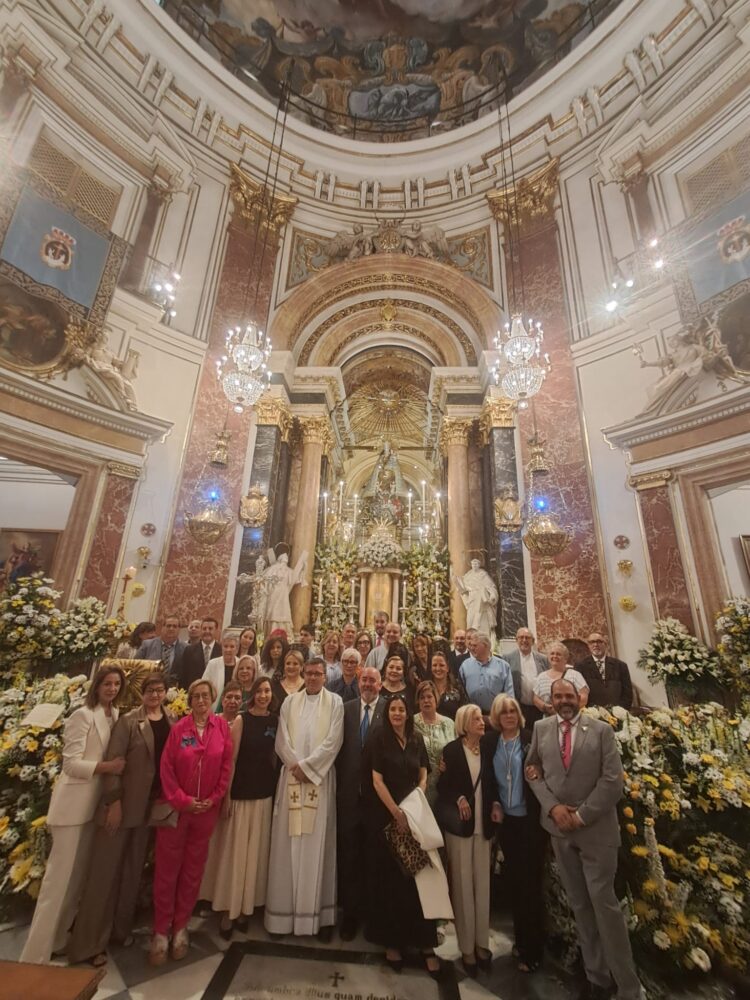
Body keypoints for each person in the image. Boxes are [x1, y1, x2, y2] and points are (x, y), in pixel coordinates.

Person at [525, 678, 644, 1000]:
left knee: (605, 907)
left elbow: (612, 781)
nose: (564, 700)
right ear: (550, 700)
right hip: (559, 830)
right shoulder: (542, 729)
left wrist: (580, 816)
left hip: (595, 831)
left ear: (579, 697)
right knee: (579, 904)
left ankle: (629, 987)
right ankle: (597, 979)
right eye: (558, 696)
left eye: (569, 695)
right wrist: (553, 807)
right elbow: (532, 768)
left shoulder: (601, 731)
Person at [20, 666, 127, 964]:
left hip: (94, 806)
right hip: (72, 805)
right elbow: (71, 764)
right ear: (97, 685)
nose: (112, 689)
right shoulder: (83, 715)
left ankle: (58, 940)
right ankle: (35, 954)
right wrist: (107, 767)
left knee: (76, 880)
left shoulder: (115, 714)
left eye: (117, 684)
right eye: (107, 683)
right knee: (57, 882)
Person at [68, 673, 174, 966]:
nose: (155, 695)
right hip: (124, 806)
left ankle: (119, 931)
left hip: (149, 808)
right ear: (142, 693)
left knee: (131, 874)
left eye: (159, 690)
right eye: (150, 690)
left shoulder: (171, 719)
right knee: (105, 875)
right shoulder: (128, 722)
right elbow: (115, 764)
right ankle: (88, 944)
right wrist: (113, 802)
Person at [150, 678, 233, 965]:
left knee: (192, 871)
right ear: (190, 701)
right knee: (167, 870)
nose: (200, 700)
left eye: (205, 695)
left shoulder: (221, 727)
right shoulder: (180, 729)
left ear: (212, 698)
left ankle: (181, 927)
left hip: (206, 810)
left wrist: (215, 797)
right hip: (178, 810)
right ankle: (161, 930)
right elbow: (166, 768)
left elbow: (226, 766)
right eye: (196, 696)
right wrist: (182, 800)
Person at [264, 658, 345, 939]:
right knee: (287, 844)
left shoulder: (335, 703)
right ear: (303, 674)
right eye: (308, 673)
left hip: (318, 781)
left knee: (317, 845)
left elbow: (334, 741)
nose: (312, 677)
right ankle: (282, 918)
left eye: (317, 674)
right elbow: (281, 739)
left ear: (325, 676)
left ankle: (318, 918)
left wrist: (309, 768)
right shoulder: (289, 702)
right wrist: (295, 765)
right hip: (291, 778)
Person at [367, 695, 441, 977]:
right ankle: (393, 943)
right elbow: (377, 780)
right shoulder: (379, 739)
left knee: (418, 881)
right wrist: (397, 813)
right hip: (388, 815)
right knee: (392, 883)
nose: (397, 713)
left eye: (401, 709)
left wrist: (412, 807)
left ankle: (425, 943)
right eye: (393, 709)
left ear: (408, 713)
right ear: (387, 713)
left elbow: (423, 775)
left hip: (414, 814)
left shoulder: (416, 739)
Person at [203, 677, 280, 935]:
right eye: (259, 691)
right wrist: (226, 795)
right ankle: (228, 909)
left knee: (255, 854)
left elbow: (274, 757)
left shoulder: (275, 721)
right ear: (253, 694)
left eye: (267, 691)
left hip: (263, 794)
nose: (263, 695)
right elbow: (232, 759)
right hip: (241, 792)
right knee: (235, 855)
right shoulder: (242, 720)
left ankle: (246, 908)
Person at [486, 695, 546, 973]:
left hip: (530, 822)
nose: (509, 716)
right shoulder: (492, 742)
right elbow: (488, 778)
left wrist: (538, 773)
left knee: (531, 885)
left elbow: (546, 771)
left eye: (512, 711)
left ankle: (533, 949)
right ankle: (521, 941)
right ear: (497, 717)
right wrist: (494, 803)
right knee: (515, 883)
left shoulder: (531, 739)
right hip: (507, 822)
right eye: (503, 712)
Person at [436, 704, 496, 978]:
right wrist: (459, 797)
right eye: (476, 719)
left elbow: (493, 783)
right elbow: (443, 786)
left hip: (484, 824)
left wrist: (496, 804)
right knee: (462, 887)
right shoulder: (451, 750)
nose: (482, 722)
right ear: (464, 723)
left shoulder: (488, 748)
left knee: (482, 885)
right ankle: (467, 948)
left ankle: (482, 943)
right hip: (460, 827)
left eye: (481, 718)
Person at [335, 665, 385, 939]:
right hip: (349, 796)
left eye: (372, 680)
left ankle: (374, 914)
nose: (367, 684)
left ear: (380, 684)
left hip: (378, 799)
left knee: (374, 856)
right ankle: (351, 914)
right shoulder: (346, 709)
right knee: (350, 855)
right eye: (364, 679)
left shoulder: (390, 710)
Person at [413, 680, 455, 805]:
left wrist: (449, 762)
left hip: (446, 784)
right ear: (418, 701)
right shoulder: (411, 724)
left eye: (429, 697)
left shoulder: (449, 723)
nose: (426, 701)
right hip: (419, 784)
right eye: (422, 698)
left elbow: (457, 751)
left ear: (436, 698)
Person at [459, 633, 514, 715]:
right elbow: (461, 690)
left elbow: (509, 694)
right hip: (471, 714)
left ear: (486, 646)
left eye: (475, 645)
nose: (471, 648)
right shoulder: (465, 665)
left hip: (496, 714)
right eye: (471, 645)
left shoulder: (503, 666)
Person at [505, 627, 549, 729]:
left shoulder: (543, 659)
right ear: (516, 640)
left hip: (539, 707)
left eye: (527, 638)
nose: (524, 640)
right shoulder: (508, 658)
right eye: (521, 637)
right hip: (519, 707)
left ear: (533, 641)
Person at [577, 633, 634, 710]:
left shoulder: (620, 666)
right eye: (592, 642)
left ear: (606, 644)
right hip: (592, 713)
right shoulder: (580, 666)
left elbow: (627, 693)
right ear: (588, 646)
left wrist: (620, 711)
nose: (595, 645)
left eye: (599, 641)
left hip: (617, 712)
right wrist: (593, 711)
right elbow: (579, 693)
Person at [532, 642, 589, 717]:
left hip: (571, 717)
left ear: (565, 658)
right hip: (549, 718)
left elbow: (584, 697)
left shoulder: (575, 675)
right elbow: (535, 698)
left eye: (558, 654)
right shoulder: (541, 677)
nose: (555, 656)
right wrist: (545, 707)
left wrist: (569, 710)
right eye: (552, 654)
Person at [261, 548, 308, 636]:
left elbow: (296, 578)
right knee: (273, 614)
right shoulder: (275, 570)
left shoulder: (284, 571)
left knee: (280, 614)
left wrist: (303, 566)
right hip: (273, 597)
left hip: (282, 597)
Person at [454, 559, 498, 640]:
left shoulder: (483, 575)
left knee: (481, 622)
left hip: (482, 600)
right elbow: (463, 589)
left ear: (479, 565)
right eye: (473, 564)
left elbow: (491, 586)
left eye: (476, 564)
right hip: (472, 600)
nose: (474, 565)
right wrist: (458, 583)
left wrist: (492, 595)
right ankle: (471, 640)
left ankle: (485, 640)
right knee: (470, 621)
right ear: (471, 565)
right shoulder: (468, 575)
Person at [136, 616, 186, 680]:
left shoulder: (185, 648)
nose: (171, 629)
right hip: (149, 682)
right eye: (168, 626)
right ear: (162, 627)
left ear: (179, 629)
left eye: (175, 626)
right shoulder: (147, 645)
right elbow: (135, 665)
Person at [177, 618, 221, 689]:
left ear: (216, 631)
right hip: (193, 691)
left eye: (210, 629)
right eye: (204, 629)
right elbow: (183, 676)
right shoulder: (189, 650)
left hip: (215, 691)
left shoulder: (221, 651)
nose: (207, 631)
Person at [428, 650, 467, 720]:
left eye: (441, 665)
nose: (438, 668)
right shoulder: (426, 688)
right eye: (434, 665)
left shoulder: (457, 687)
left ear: (447, 668)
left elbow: (464, 711)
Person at [203, 631, 238, 706]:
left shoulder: (240, 663)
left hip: (235, 704)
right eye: (225, 646)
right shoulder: (213, 663)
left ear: (237, 649)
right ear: (221, 648)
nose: (228, 649)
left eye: (232, 647)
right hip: (215, 705)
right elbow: (204, 685)